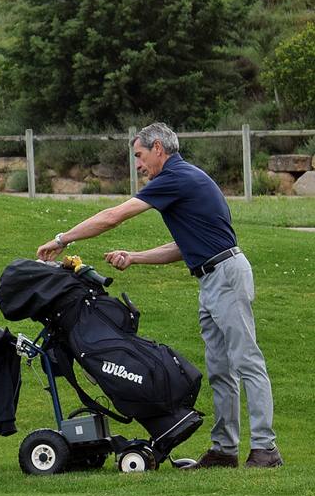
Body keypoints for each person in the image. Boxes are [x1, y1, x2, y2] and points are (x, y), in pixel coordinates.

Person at [35, 122, 280, 469]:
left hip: (226, 276)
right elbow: (184, 247)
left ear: (158, 150)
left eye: (139, 155)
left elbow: (112, 217)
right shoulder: (183, 181)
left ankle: (265, 449)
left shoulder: (176, 177)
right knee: (221, 369)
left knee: (247, 362)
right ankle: (225, 449)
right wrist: (135, 257)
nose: (137, 164)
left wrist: (62, 240)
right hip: (212, 278)